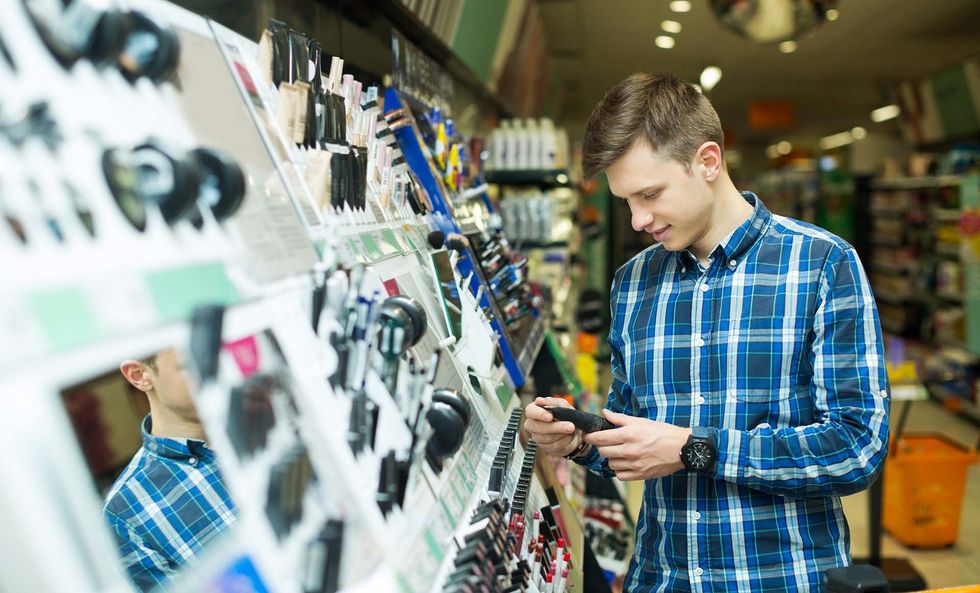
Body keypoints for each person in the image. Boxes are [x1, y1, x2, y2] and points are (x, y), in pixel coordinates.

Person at [524, 73, 890, 592]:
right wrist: (578, 439)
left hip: (778, 580)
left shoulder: (822, 265)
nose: (637, 219)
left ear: (709, 161)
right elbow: (635, 438)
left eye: (650, 194)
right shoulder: (633, 284)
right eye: (626, 200)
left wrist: (696, 448)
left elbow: (858, 449)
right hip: (660, 577)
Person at [105, 349, 237, 592]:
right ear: (139, 375)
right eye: (191, 364)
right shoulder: (126, 512)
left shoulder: (275, 417)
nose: (219, 371)